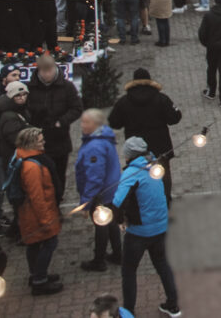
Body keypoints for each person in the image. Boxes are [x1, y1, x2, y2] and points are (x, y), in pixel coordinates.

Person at [111, 136, 181, 317]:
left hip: (139, 232)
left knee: (128, 271)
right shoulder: (156, 165)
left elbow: (117, 203)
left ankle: (129, 311)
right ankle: (173, 305)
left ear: (128, 155)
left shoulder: (131, 173)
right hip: (160, 227)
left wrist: (119, 221)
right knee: (163, 265)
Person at [108, 68, 182, 204]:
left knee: (138, 173)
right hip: (160, 145)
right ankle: (165, 200)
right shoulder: (161, 98)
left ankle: (141, 201)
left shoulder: (124, 102)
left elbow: (114, 122)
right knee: (163, 172)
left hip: (135, 147)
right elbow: (175, 117)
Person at [14, 127, 63, 295]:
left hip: (31, 213)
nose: (44, 142)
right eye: (40, 141)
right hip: (37, 214)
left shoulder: (25, 159)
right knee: (50, 243)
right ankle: (39, 280)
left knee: (34, 244)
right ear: (31, 144)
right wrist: (46, 220)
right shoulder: (32, 167)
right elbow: (37, 197)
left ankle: (36, 274)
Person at [26, 53, 83, 191]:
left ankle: (58, 198)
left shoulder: (67, 87)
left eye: (49, 71)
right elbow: (26, 110)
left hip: (59, 138)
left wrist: (62, 121)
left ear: (55, 68)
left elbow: (77, 108)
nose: (47, 75)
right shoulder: (31, 88)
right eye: (43, 71)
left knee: (58, 174)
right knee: (40, 174)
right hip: (38, 139)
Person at [75, 109, 122, 272]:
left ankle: (99, 260)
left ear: (96, 124)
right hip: (111, 189)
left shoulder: (94, 146)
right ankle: (118, 254)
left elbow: (95, 177)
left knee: (101, 225)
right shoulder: (105, 136)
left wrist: (86, 202)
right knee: (111, 221)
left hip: (101, 193)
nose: (82, 125)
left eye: (86, 122)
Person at [0, 80, 30, 229]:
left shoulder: (19, 110)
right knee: (17, 194)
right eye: (18, 95)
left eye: (24, 94)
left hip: (16, 158)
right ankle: (19, 228)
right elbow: (16, 139)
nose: (22, 98)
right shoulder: (9, 116)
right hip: (13, 160)